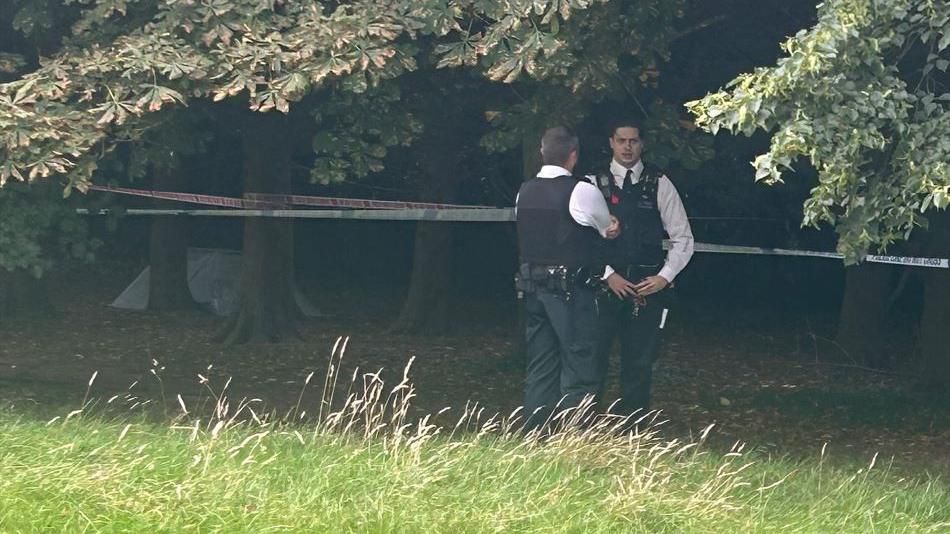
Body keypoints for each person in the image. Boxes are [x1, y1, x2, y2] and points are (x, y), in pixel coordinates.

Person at [515, 126, 620, 432]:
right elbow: (606, 228)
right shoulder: (582, 189)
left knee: (541, 365)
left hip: (533, 290)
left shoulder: (525, 190)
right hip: (571, 291)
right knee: (580, 363)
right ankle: (575, 437)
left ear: (542, 153)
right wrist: (613, 226)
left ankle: (536, 434)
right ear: (573, 156)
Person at [591, 118, 694, 419]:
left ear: (642, 144)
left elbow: (682, 238)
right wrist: (608, 275)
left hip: (646, 288)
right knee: (593, 358)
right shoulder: (593, 182)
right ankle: (583, 428)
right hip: (604, 285)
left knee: (639, 362)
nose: (627, 146)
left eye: (633, 141)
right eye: (621, 140)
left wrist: (664, 277)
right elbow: (581, 239)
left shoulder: (659, 182)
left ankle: (632, 430)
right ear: (611, 142)